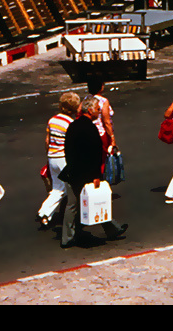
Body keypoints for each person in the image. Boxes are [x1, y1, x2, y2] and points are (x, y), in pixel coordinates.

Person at [61, 97, 127, 244]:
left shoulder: (73, 126)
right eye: (97, 109)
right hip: (86, 174)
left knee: (72, 205)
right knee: (98, 200)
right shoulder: (91, 129)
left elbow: (68, 150)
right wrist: (95, 175)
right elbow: (94, 155)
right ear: (90, 110)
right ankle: (112, 229)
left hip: (72, 171)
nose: (98, 111)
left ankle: (67, 237)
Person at [36, 95, 78, 228]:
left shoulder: (52, 120)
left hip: (52, 157)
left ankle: (45, 213)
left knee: (57, 188)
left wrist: (48, 156)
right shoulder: (70, 123)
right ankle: (46, 212)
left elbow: (47, 141)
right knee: (67, 188)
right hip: (63, 158)